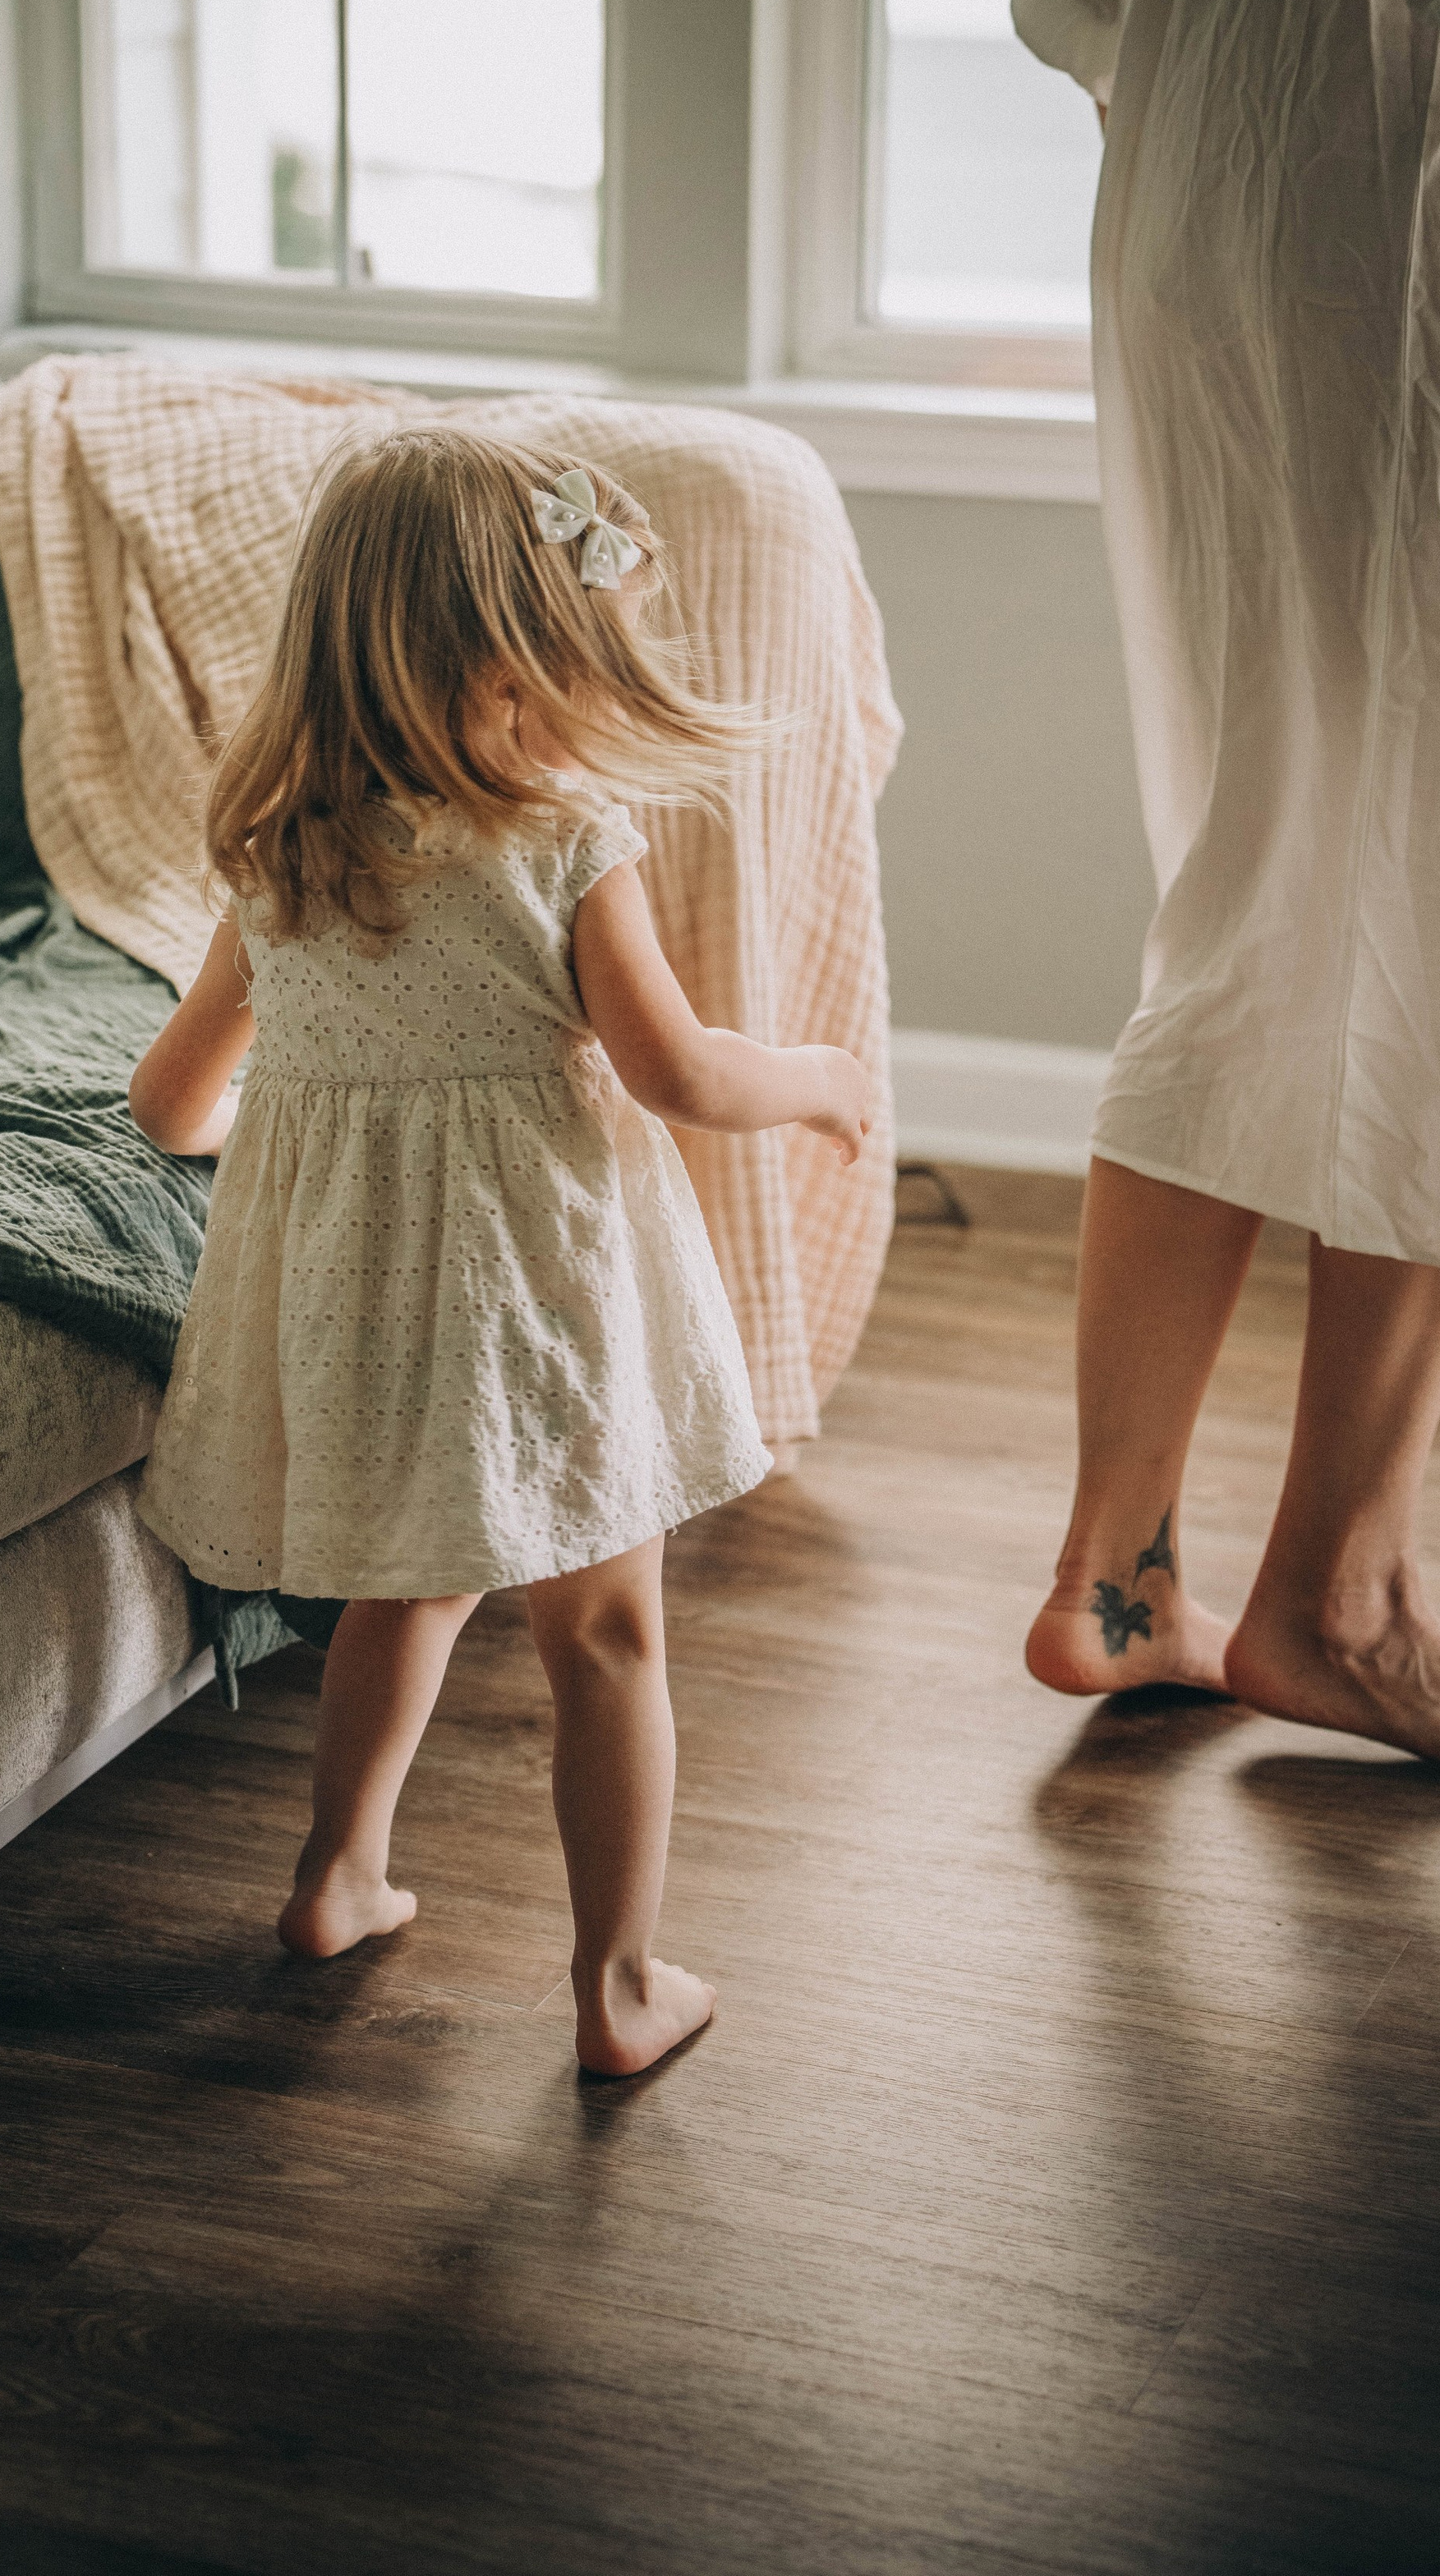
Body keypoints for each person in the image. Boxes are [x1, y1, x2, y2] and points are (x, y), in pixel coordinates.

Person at [127, 427, 870, 2077]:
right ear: (504, 658)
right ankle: (618, 1988)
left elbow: (167, 1104)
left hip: (361, 1301)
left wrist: (290, 1128)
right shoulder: (560, 842)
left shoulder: (281, 853)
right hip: (538, 1298)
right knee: (601, 1632)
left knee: (405, 1584)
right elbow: (679, 1073)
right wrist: (819, 1080)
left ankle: (337, 1876)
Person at [1012, 0, 1440, 1757]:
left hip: (1190, 185)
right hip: (1404, 192)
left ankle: (1122, 1575)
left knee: (1252, 884)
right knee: (1437, 916)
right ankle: (1341, 1594)